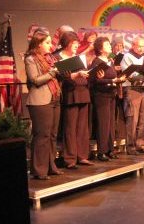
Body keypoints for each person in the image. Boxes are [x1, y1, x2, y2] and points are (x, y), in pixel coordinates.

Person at [25, 28, 64, 180]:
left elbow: (54, 77)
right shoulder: (30, 59)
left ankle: (50, 166)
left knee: (52, 135)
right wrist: (53, 72)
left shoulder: (50, 59)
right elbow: (35, 80)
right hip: (40, 101)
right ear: (39, 44)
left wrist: (61, 71)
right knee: (42, 135)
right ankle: (39, 170)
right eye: (47, 43)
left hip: (54, 98)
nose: (50, 46)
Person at [53, 31, 93, 169]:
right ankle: (70, 158)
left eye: (77, 44)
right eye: (74, 44)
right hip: (70, 93)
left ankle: (82, 156)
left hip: (83, 92)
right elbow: (62, 77)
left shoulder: (78, 58)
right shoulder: (58, 57)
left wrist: (88, 74)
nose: (76, 46)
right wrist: (77, 74)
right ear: (67, 44)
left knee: (82, 127)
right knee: (70, 127)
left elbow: (84, 73)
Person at [89, 37, 126, 161]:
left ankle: (110, 149)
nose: (110, 46)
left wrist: (120, 78)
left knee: (110, 124)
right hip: (101, 95)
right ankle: (101, 151)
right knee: (103, 124)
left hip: (111, 94)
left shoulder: (110, 60)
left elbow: (113, 75)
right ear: (100, 48)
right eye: (107, 44)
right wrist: (112, 80)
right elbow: (95, 80)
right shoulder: (97, 62)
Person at [120, 36, 144, 154]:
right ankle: (131, 146)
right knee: (132, 119)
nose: (141, 48)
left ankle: (140, 144)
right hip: (132, 89)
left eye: (143, 46)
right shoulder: (127, 57)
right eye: (138, 46)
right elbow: (129, 75)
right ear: (133, 46)